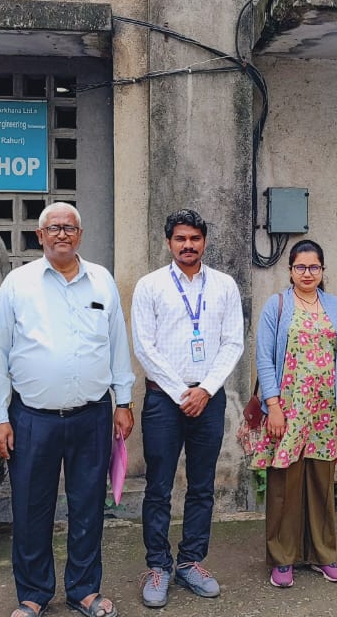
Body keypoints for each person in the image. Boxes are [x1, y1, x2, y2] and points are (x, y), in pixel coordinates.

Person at [0, 202, 136, 617]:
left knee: (88, 505)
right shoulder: (18, 284)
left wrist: (124, 400)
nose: (62, 234)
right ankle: (33, 594)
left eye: (70, 227)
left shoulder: (101, 281)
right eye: (54, 228)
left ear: (80, 235)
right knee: (32, 508)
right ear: (40, 235)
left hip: (92, 414)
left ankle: (84, 590)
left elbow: (117, 344)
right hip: (32, 418)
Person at [132, 209, 244, 607]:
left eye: (195, 239)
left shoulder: (225, 285)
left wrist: (206, 390)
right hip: (165, 398)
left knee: (202, 486)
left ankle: (191, 561)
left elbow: (233, 342)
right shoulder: (150, 286)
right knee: (159, 486)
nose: (188, 245)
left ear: (205, 242)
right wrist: (183, 391)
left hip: (209, 398)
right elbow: (145, 347)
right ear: (169, 242)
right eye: (180, 239)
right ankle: (158, 565)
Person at [248, 240, 337, 588]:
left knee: (321, 485)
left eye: (314, 267)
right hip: (289, 412)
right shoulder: (277, 305)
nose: (307, 273)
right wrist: (274, 406)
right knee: (284, 485)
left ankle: (323, 555)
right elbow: (264, 358)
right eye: (300, 267)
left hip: (327, 411)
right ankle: (283, 558)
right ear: (290, 270)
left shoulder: (335, 307)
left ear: (323, 270)